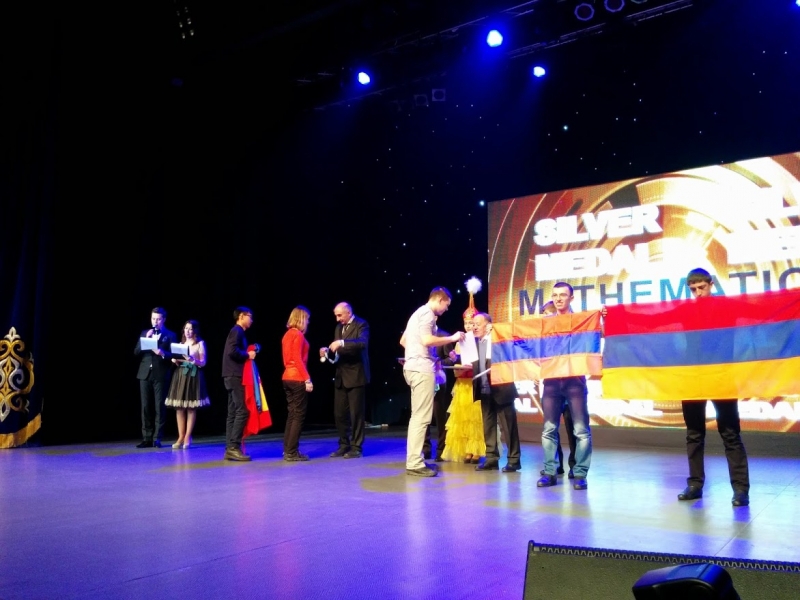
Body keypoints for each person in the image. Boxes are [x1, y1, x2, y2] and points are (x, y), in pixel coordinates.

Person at [677, 268, 750, 507]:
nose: (698, 293)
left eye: (702, 287)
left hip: (721, 375)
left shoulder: (727, 306)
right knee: (694, 433)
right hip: (693, 376)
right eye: (693, 289)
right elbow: (652, 319)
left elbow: (760, 310)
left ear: (711, 284)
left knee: (730, 433)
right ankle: (695, 485)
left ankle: (740, 489)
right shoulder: (686, 310)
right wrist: (613, 316)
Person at [400, 287, 465, 477]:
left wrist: (423, 355)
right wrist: (452, 337)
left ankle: (414, 459)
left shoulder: (417, 314)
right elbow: (427, 340)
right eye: (447, 305)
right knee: (421, 418)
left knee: (417, 417)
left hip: (413, 367)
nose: (447, 309)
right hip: (421, 370)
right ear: (439, 300)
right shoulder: (427, 314)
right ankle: (414, 463)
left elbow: (404, 341)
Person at [537, 283, 592, 490]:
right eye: (555, 295)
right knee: (549, 429)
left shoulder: (582, 321)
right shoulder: (545, 323)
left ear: (571, 298)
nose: (558, 298)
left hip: (575, 382)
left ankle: (580, 473)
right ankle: (550, 472)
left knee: (581, 430)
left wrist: (603, 319)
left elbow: (600, 334)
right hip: (551, 382)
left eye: (563, 295)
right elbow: (529, 344)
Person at [471, 312, 521, 473]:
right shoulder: (475, 343)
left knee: (508, 426)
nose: (474, 327)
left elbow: (512, 341)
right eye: (473, 324)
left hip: (502, 388)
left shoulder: (497, 339)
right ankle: (491, 458)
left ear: (488, 325)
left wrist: (495, 330)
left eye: (478, 324)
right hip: (484, 389)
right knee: (488, 426)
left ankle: (514, 460)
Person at [441, 285, 486, 464]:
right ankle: (467, 448)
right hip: (462, 384)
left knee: (475, 418)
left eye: (472, 323)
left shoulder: (481, 341)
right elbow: (455, 363)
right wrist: (454, 358)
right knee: (463, 418)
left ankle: (476, 450)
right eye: (467, 323)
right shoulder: (460, 342)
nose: (469, 326)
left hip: (475, 382)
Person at [320, 302, 370, 459]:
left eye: (339, 315)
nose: (337, 319)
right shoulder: (339, 328)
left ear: (348, 312)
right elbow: (339, 351)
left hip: (356, 375)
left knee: (356, 414)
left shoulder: (361, 324)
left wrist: (341, 343)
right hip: (341, 375)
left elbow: (362, 343)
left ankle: (356, 447)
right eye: (336, 315)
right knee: (339, 414)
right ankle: (344, 444)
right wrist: (327, 351)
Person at [537, 301, 577, 479]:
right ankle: (555, 465)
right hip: (551, 388)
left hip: (570, 388)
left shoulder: (572, 333)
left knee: (573, 430)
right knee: (551, 429)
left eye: (546, 314)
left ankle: (574, 465)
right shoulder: (544, 337)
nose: (544, 318)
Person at [133, 307, 177, 448]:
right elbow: (136, 352)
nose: (155, 322)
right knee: (145, 406)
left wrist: (162, 353)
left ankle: (157, 438)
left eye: (158, 319)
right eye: (153, 319)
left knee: (159, 406)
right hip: (145, 373)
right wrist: (146, 339)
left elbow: (174, 354)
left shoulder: (170, 335)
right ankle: (146, 437)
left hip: (160, 373)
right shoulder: (145, 333)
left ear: (164, 319)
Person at [165, 320, 210, 449]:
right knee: (179, 407)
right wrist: (175, 360)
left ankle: (187, 437)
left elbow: (203, 362)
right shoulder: (181, 344)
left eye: (190, 329)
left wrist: (193, 360)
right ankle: (180, 436)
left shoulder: (200, 344)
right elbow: (177, 360)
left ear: (195, 331)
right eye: (186, 329)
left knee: (191, 408)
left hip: (193, 375)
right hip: (181, 375)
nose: (188, 331)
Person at [222, 307, 257, 461]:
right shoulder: (237, 331)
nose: (251, 320)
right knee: (242, 411)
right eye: (250, 316)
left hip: (229, 375)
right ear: (241, 316)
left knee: (233, 412)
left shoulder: (237, 331)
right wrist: (247, 355)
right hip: (235, 375)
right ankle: (233, 447)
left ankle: (229, 447)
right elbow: (232, 351)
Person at [282, 306, 313, 461]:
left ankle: (288, 449)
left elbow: (287, 359)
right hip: (297, 377)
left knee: (292, 414)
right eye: (307, 319)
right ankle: (291, 452)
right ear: (301, 318)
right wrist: (307, 378)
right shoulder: (298, 335)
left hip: (287, 376)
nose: (308, 322)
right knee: (298, 415)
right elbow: (297, 359)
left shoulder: (287, 334)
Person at [422, 325, 454, 462]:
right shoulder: (421, 334)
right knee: (423, 415)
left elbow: (451, 359)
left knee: (439, 415)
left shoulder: (443, 336)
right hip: (422, 378)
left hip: (439, 380)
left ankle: (441, 449)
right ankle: (426, 449)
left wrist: (439, 362)